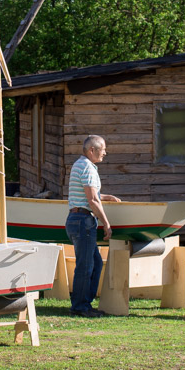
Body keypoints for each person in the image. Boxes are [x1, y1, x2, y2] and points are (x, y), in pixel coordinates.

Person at [65, 135, 119, 318]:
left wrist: (108, 197)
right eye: (102, 148)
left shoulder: (80, 164)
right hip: (83, 220)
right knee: (86, 265)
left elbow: (89, 193)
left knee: (94, 262)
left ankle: (84, 303)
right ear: (92, 150)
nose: (105, 152)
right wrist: (106, 223)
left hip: (76, 218)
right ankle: (80, 307)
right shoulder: (87, 167)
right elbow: (92, 200)